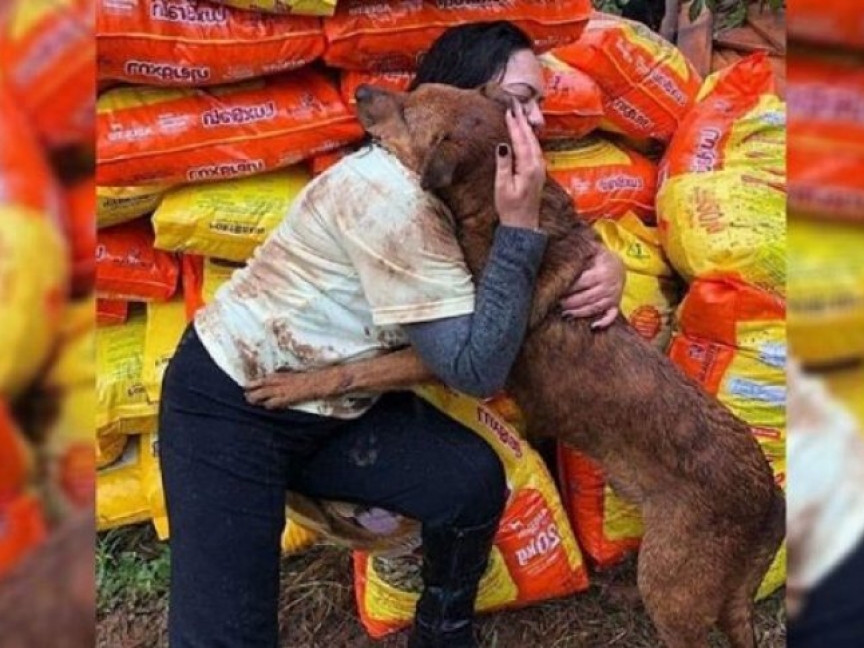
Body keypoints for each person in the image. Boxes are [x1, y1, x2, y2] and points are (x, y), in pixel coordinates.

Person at [158, 20, 625, 648]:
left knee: (469, 482)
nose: (537, 121)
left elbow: (568, 233)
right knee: (228, 635)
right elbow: (476, 368)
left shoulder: (474, 168)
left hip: (330, 410)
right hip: (233, 405)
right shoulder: (394, 203)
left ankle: (441, 631)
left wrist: (607, 263)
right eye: (518, 102)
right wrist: (518, 234)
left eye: (538, 101)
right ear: (460, 106)